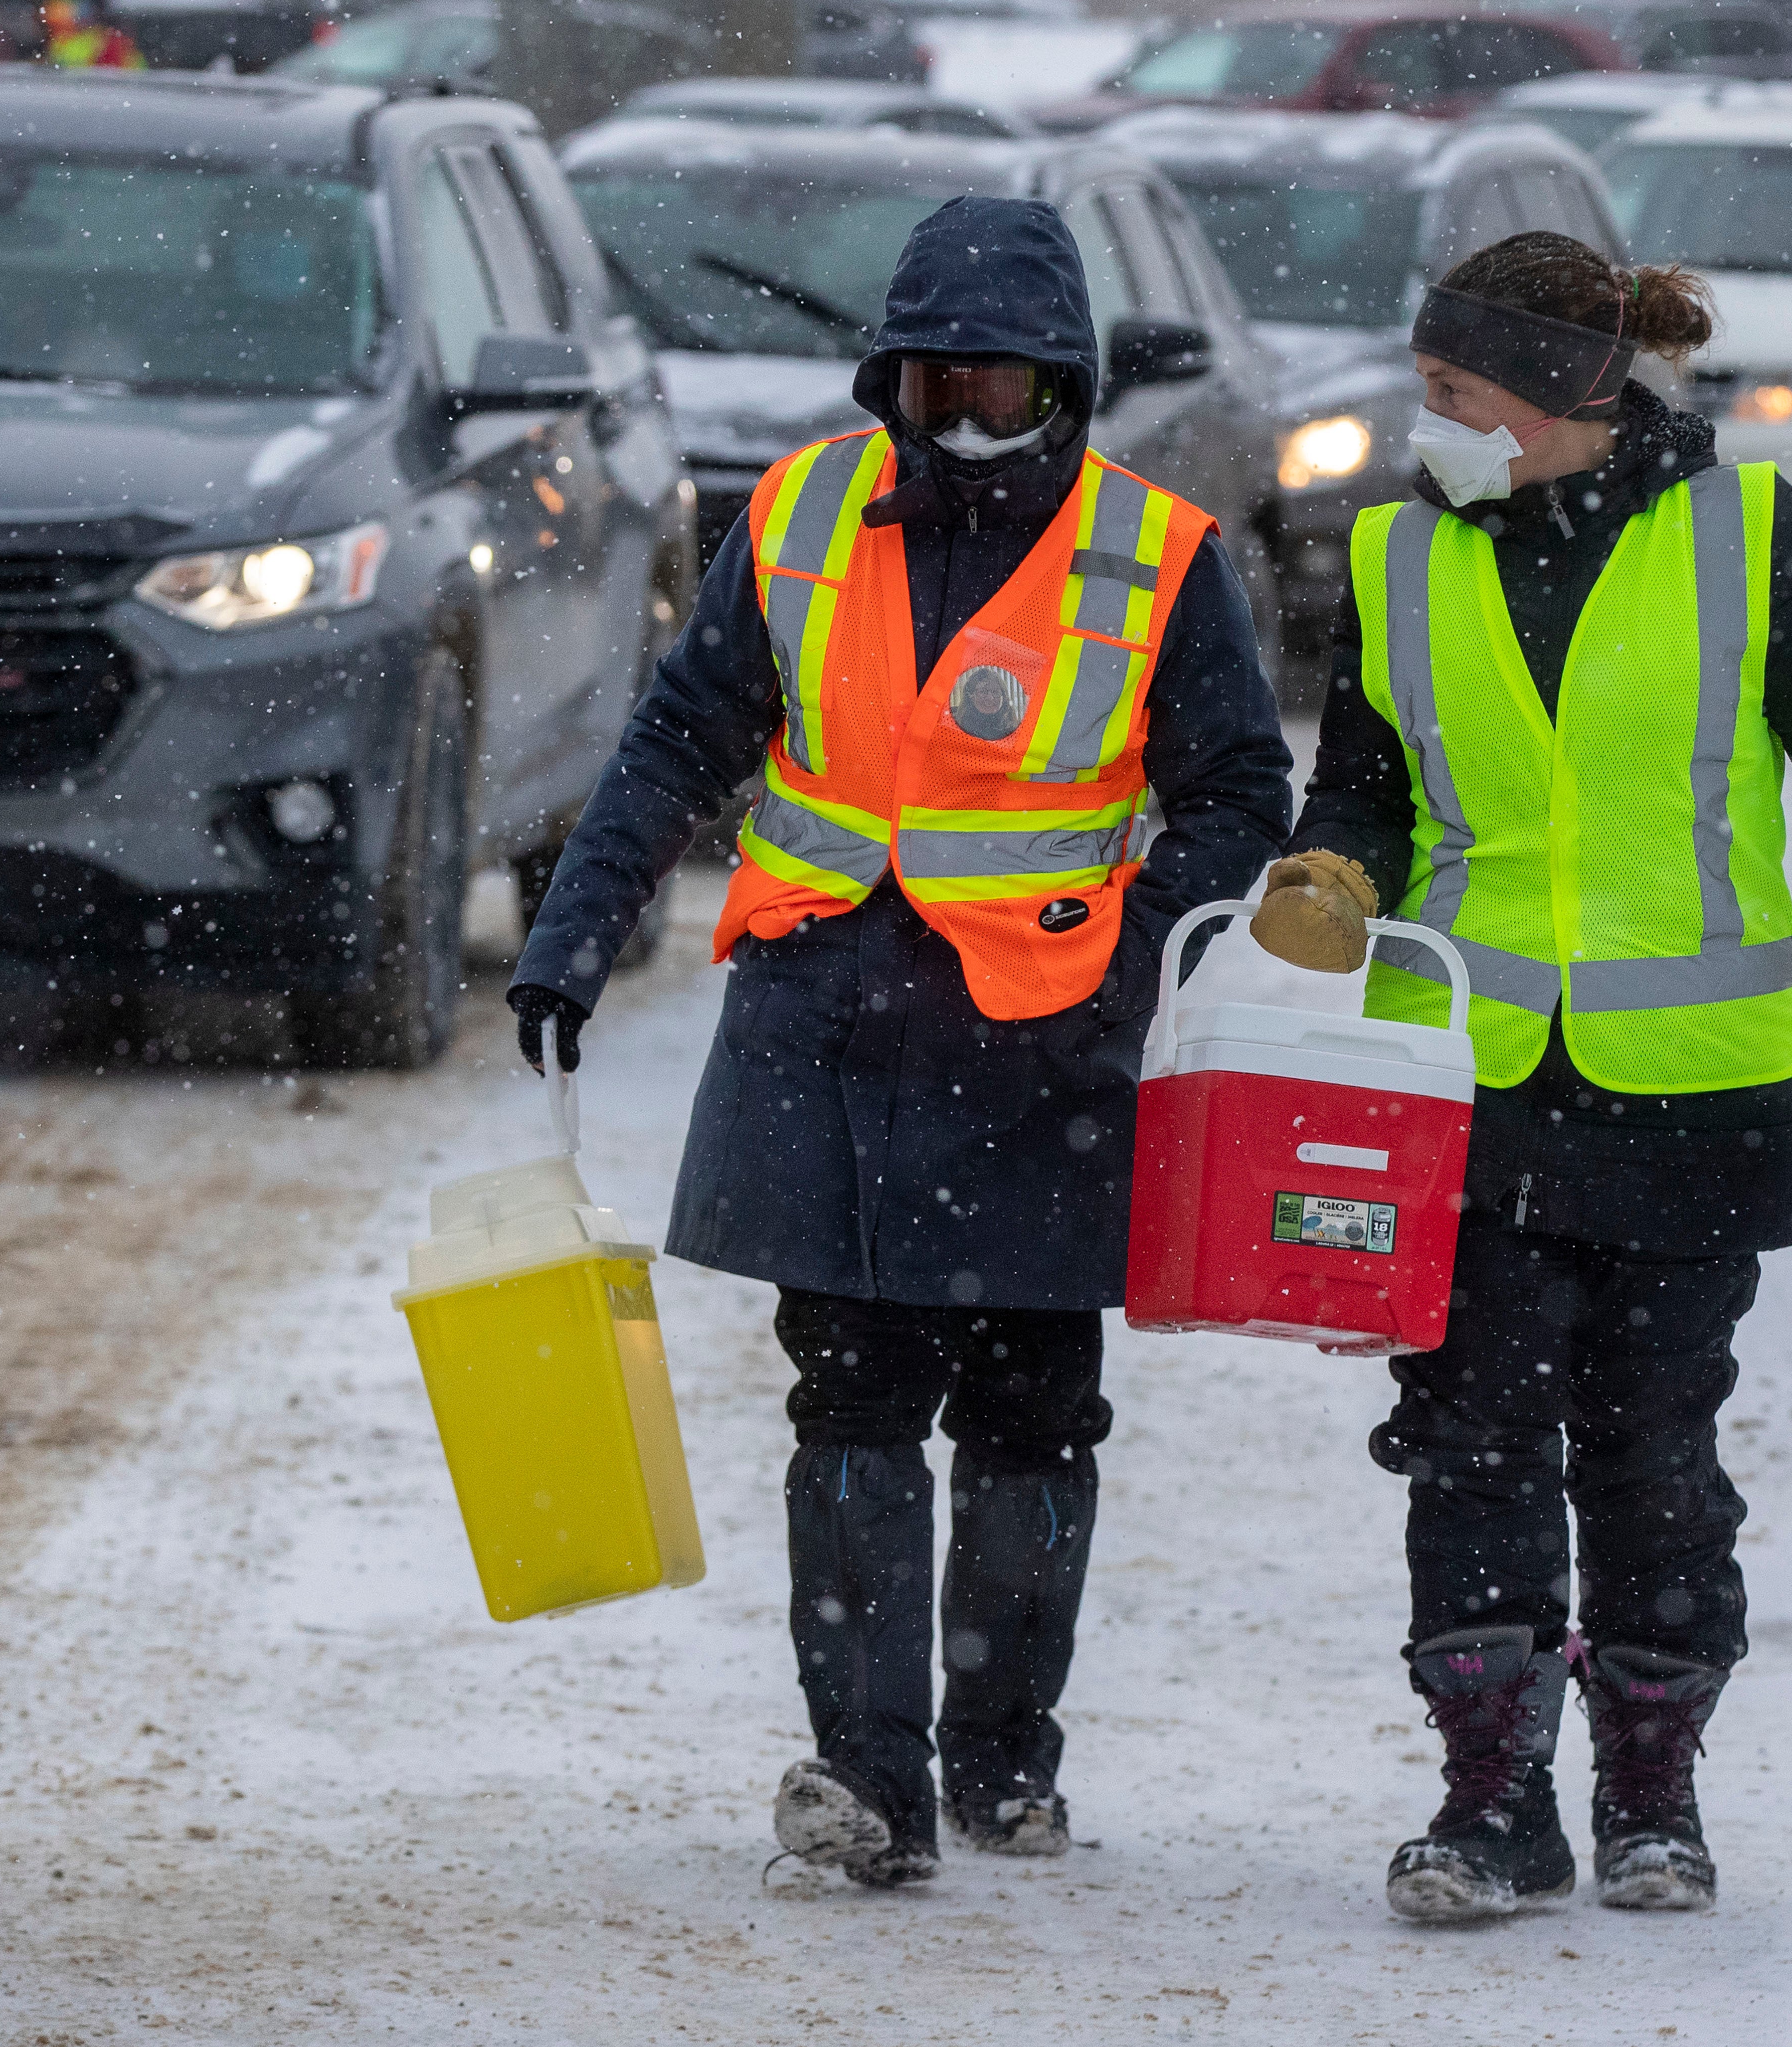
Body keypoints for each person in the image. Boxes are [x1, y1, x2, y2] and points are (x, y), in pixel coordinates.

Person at [508, 198, 1290, 1889]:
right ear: (891, 380)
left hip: (1045, 1047)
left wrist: (1140, 956)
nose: (968, 421)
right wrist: (571, 936)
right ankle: (868, 1778)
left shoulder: (1155, 552)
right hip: (827, 1027)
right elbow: (677, 739)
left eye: (1005, 390)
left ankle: (1007, 1762)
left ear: (1070, 389)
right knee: (848, 1403)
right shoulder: (797, 514)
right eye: (935, 386)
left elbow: (1237, 794)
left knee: (1030, 1413)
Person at [1248, 231, 1792, 1923]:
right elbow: (1363, 781)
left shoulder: (1744, 535)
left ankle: (1652, 1788)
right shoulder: (1397, 556)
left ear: (1569, 394)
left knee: (1653, 1451)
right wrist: (1328, 876)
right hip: (1471, 1086)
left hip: (1689, 1093)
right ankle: (1490, 1796)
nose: (1417, 420)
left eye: (1449, 392)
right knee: (1467, 1440)